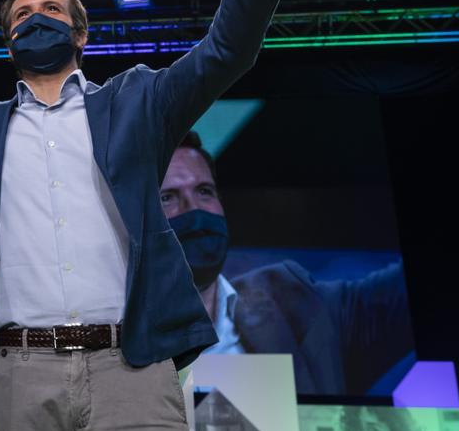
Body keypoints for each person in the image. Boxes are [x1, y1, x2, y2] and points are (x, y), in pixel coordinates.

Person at [0, 0, 295, 431]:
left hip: (131, 368)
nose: (36, 20)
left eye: (51, 10)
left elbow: (227, 52)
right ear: (8, 40)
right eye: (22, 15)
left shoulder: (136, 101)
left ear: (81, 32)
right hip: (16, 372)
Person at [163, 131, 414, 395]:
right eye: (167, 197)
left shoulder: (297, 303)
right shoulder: (119, 338)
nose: (194, 209)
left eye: (205, 191)